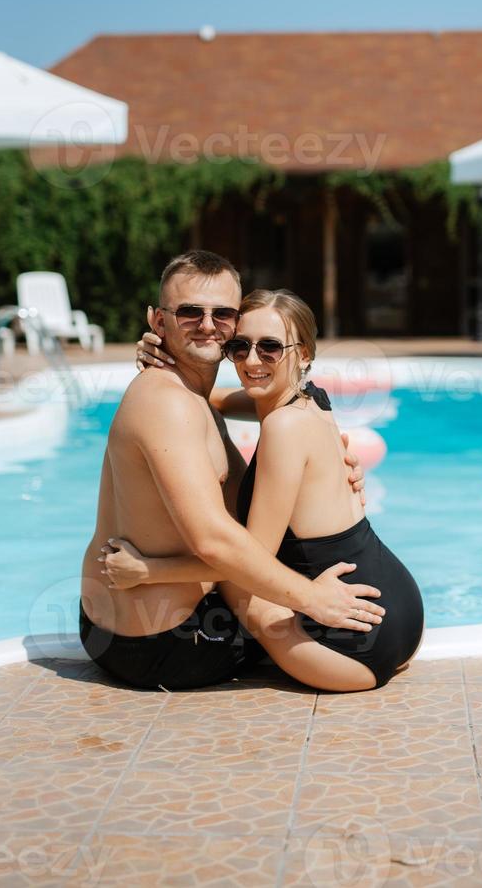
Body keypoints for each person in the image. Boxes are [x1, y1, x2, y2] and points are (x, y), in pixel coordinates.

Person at [80, 251, 384, 692]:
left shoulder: (192, 394)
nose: (207, 325)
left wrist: (330, 467)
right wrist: (312, 598)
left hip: (129, 626)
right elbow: (214, 541)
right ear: (157, 320)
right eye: (188, 313)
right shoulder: (167, 404)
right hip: (163, 642)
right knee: (294, 615)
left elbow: (276, 399)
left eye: (222, 314)